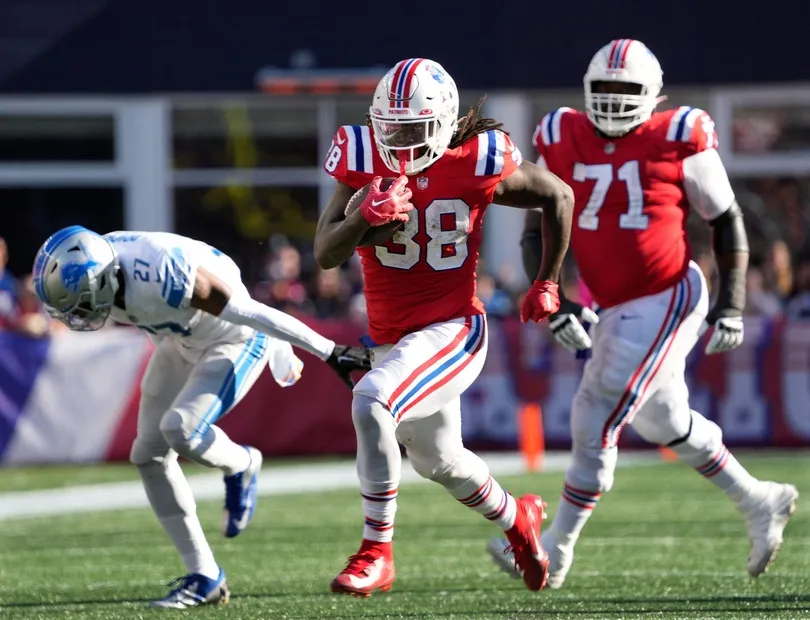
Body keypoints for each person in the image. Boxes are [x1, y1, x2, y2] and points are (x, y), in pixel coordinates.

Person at [487, 38, 799, 589]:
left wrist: (730, 305)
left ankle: (553, 549)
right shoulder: (561, 133)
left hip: (666, 293)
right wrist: (551, 292)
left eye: (625, 91)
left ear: (654, 95)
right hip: (612, 304)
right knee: (664, 421)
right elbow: (537, 227)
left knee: (594, 410)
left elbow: (725, 220)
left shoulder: (679, 135)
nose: (611, 102)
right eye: (601, 91)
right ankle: (759, 500)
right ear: (584, 91)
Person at [314, 57, 575, 596]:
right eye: (390, 128)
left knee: (372, 400)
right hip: (393, 338)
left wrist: (547, 281)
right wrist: (365, 216)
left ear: (444, 123)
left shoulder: (478, 158)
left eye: (412, 129)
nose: (399, 141)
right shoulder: (361, 154)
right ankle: (517, 520)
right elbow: (323, 253)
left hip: (453, 327)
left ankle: (375, 551)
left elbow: (559, 195)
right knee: (440, 461)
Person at [32, 226, 371, 608]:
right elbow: (154, 317)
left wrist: (327, 350)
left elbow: (246, 310)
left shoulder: (158, 268)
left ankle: (242, 463)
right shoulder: (103, 267)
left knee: (181, 428)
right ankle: (206, 577)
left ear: (103, 277)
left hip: (236, 338)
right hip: (181, 338)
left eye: (80, 303)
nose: (77, 314)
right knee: (148, 454)